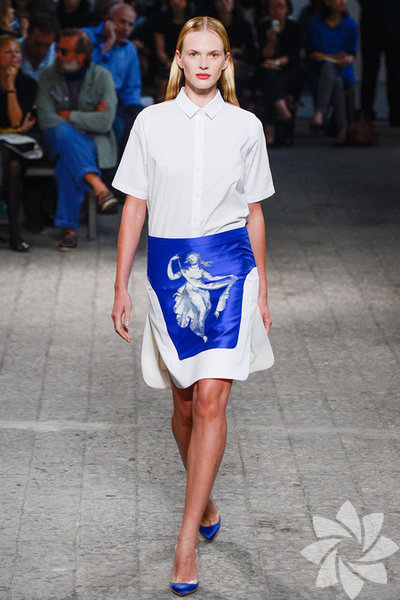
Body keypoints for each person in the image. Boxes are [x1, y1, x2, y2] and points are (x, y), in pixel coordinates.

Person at [111, 16, 275, 596]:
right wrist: (120, 285)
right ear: (178, 60)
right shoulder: (151, 123)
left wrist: (263, 288)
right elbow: (134, 204)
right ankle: (203, 503)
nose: (203, 63)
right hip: (170, 271)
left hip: (230, 269)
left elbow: (254, 211)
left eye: (213, 54)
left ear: (226, 62)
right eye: (194, 54)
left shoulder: (246, 126)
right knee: (183, 402)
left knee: (210, 399)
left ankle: (185, 542)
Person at [36, 28, 118, 251]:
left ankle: (69, 232)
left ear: (81, 56)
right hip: (55, 142)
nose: (57, 55)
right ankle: (98, 186)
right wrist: (88, 119)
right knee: (62, 134)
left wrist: (68, 116)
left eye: (63, 51)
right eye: (57, 49)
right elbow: (45, 118)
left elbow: (105, 122)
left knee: (67, 163)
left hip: (91, 145)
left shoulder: (102, 77)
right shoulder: (48, 75)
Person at [83, 3, 142, 148]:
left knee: (141, 124)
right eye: (122, 22)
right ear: (109, 20)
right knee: (118, 126)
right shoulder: (86, 37)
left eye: (130, 25)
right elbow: (87, 74)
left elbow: (131, 87)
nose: (126, 28)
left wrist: (136, 111)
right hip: (85, 100)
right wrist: (108, 44)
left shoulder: (130, 49)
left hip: (114, 102)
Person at [0, 34, 37, 251]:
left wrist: (10, 85)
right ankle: (14, 233)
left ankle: (15, 232)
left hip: (15, 146)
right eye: (8, 52)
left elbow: (16, 121)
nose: (15, 56)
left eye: (17, 51)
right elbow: (16, 125)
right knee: (8, 162)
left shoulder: (27, 83)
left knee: (12, 164)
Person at [305, 0, 357, 145]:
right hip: (319, 69)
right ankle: (343, 128)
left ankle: (320, 112)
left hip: (343, 69)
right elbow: (312, 52)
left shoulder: (350, 24)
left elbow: (352, 54)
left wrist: (346, 59)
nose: (342, 2)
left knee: (336, 76)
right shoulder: (315, 23)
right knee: (334, 78)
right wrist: (333, 58)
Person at [257, 0, 302, 145]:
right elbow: (263, 56)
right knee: (268, 76)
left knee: (271, 82)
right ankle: (286, 114)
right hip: (268, 71)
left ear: (287, 9)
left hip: (289, 70)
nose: (276, 10)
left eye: (280, 7)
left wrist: (276, 62)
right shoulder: (263, 27)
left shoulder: (294, 27)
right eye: (272, 7)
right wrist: (271, 40)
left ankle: (269, 131)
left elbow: (295, 55)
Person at [358, 0, 400, 127]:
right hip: (378, 19)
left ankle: (394, 112)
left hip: (385, 19)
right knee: (370, 70)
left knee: (394, 71)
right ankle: (367, 110)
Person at [19, 13, 58, 82]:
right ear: (28, 34)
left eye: (47, 45)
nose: (42, 50)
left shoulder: (58, 55)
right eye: (38, 44)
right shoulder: (10, 50)